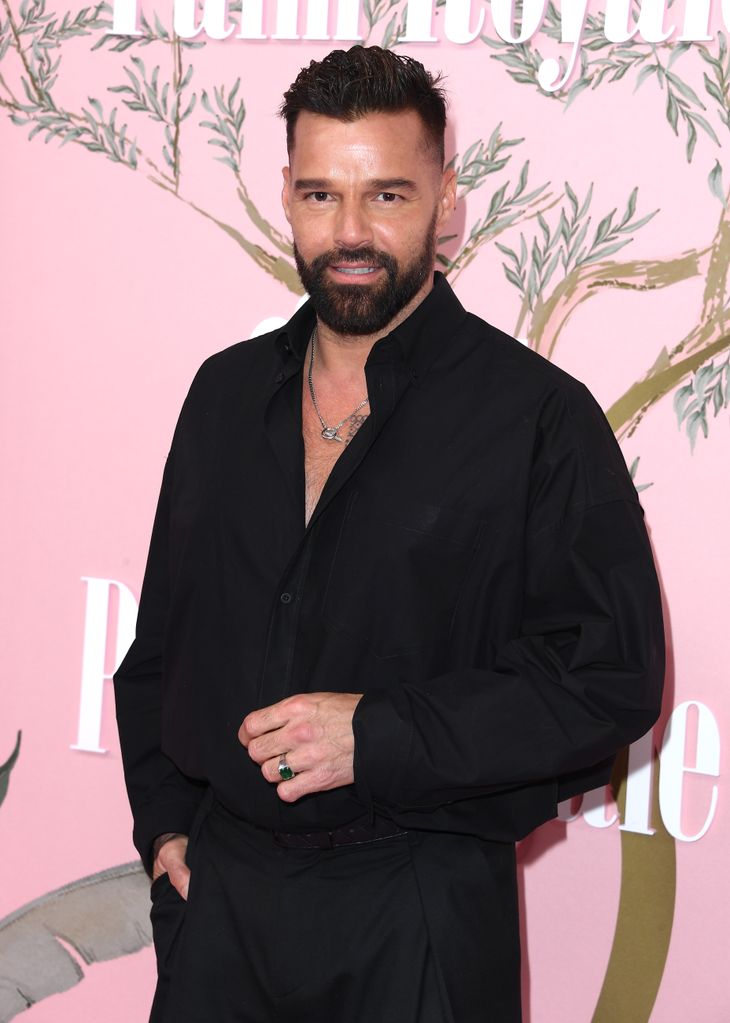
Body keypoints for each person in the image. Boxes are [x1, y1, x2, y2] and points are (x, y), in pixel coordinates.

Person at [114, 45, 665, 1023]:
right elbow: (157, 648)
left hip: (416, 909)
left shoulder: (535, 418)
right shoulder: (223, 397)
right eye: (323, 196)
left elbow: (607, 679)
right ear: (286, 197)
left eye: (389, 195)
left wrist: (379, 733)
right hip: (222, 908)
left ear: (446, 201)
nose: (352, 231)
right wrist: (164, 832)